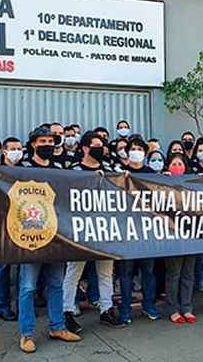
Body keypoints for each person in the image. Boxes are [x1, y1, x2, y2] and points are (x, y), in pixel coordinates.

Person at [17, 127, 81, 352]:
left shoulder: (57, 168)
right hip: (30, 236)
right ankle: (26, 334)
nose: (47, 144)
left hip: (56, 236)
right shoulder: (21, 168)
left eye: (50, 141)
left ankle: (57, 326)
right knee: (28, 286)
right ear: (33, 143)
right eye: (42, 141)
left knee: (56, 284)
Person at [62, 132, 126, 333]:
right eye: (96, 145)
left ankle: (106, 309)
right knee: (74, 272)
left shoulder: (108, 169)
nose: (101, 148)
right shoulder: (73, 169)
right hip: (80, 230)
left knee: (106, 272)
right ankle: (67, 312)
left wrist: (126, 179)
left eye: (102, 145)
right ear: (85, 148)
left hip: (105, 229)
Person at [118, 137, 160, 323]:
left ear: (144, 152)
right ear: (127, 153)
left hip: (148, 231)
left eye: (139, 149)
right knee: (126, 273)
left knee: (148, 271)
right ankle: (125, 308)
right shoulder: (119, 175)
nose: (136, 151)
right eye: (132, 148)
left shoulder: (151, 173)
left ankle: (149, 305)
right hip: (127, 232)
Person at [0, 137, 24, 321]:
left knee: (25, 266)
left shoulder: (25, 170)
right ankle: (4, 306)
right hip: (0, 223)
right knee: (2, 267)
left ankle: (24, 303)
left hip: (23, 223)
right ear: (4, 151)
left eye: (19, 148)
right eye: (12, 148)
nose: (16, 151)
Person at [164, 153, 198, 324]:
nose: (177, 166)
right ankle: (173, 308)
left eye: (180, 163)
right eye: (174, 163)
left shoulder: (193, 183)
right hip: (172, 236)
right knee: (174, 273)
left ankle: (187, 307)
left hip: (192, 235)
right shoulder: (160, 182)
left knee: (188, 273)